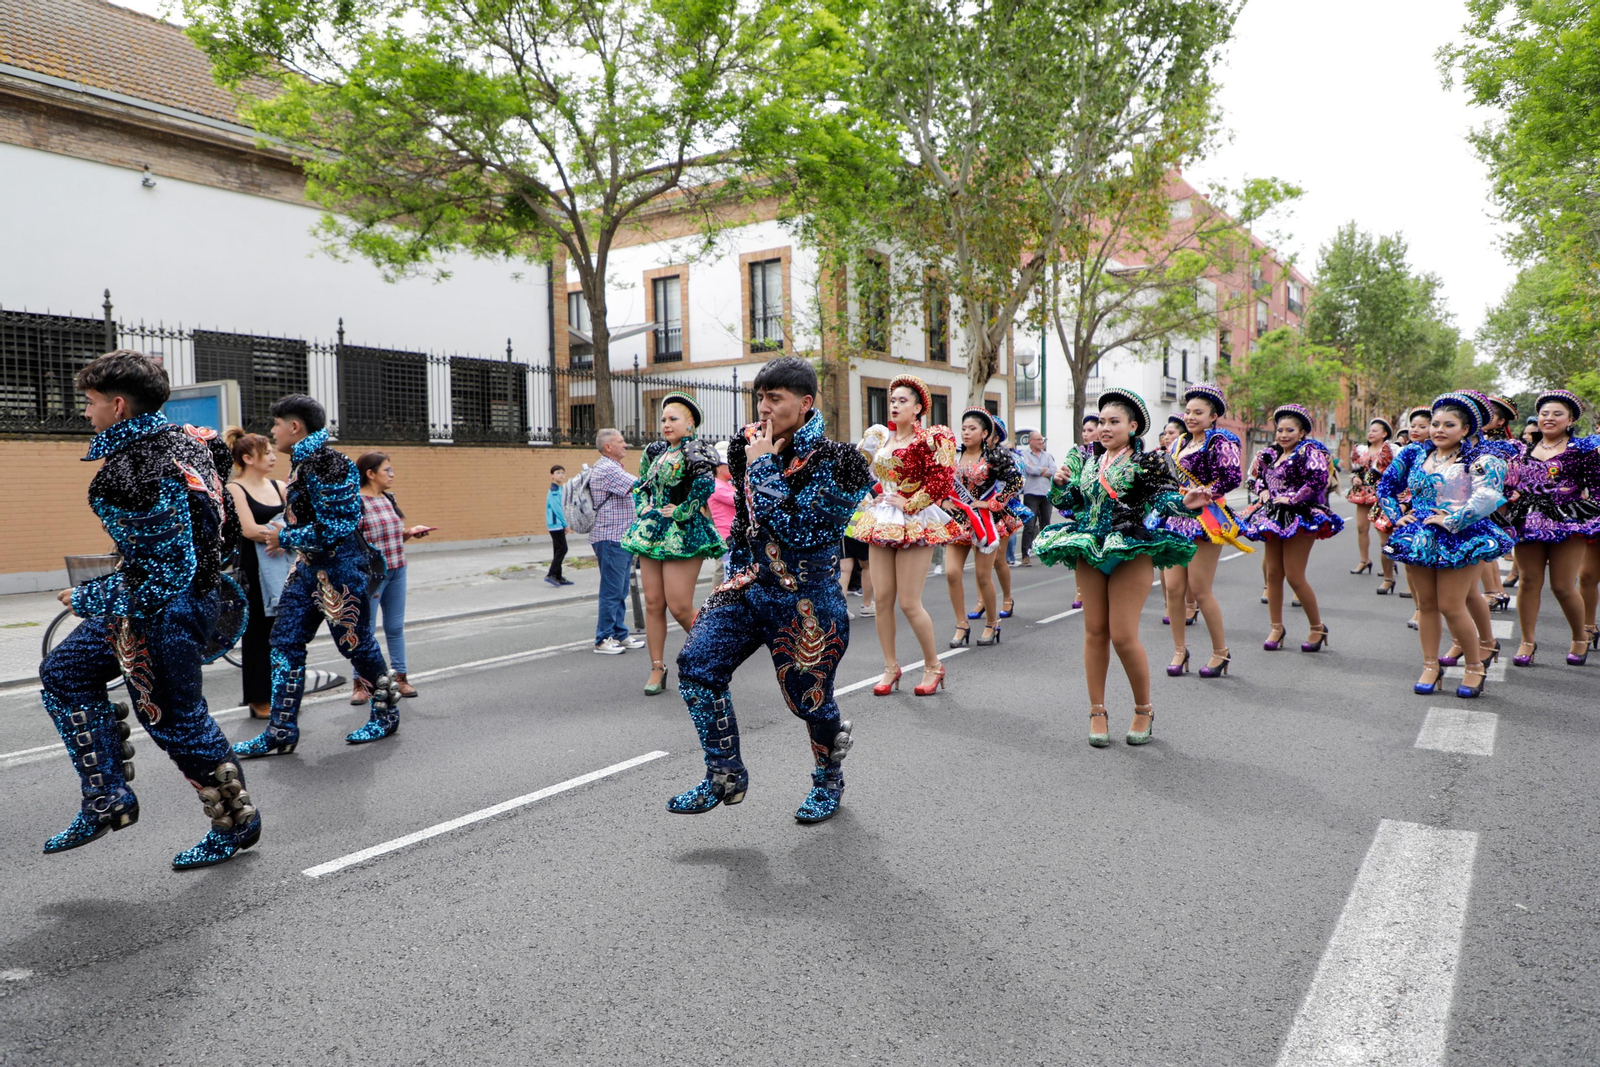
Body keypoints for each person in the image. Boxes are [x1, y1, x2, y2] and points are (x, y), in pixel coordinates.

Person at [40, 351, 261, 869]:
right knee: (66, 670)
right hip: (175, 599)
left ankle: (236, 823)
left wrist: (88, 596)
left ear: (118, 407)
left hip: (164, 612)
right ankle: (108, 797)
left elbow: (167, 574)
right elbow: (218, 475)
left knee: (176, 722)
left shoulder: (129, 474)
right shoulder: (192, 438)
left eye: (90, 403)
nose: (85, 413)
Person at [667, 356, 873, 823]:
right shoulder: (746, 445)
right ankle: (724, 773)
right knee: (696, 666)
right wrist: (735, 572)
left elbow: (803, 531)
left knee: (809, 701)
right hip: (749, 586)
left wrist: (762, 469)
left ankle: (828, 777)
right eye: (760, 397)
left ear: (804, 403)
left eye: (774, 399)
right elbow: (745, 519)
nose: (763, 409)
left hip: (806, 602)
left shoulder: (841, 461)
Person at [233, 394, 402, 758]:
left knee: (355, 643)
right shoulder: (305, 462)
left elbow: (339, 527)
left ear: (295, 427)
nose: (273, 432)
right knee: (283, 642)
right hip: (309, 569)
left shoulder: (330, 463)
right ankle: (281, 730)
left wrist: (286, 536)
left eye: (276, 425)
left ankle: (386, 713)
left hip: (341, 570)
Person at [1035, 388, 1203, 747]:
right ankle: (1098, 711)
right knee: (1095, 632)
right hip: (1089, 546)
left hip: (1130, 549)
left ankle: (1144, 709)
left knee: (1123, 635)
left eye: (1114, 422)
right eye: (1101, 422)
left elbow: (1163, 498)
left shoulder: (1148, 462)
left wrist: (1185, 503)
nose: (1104, 428)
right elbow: (1072, 503)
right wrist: (1061, 485)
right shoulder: (1086, 460)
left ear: (1133, 426)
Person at [1377, 393, 1514, 698]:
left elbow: (1489, 497)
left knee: (1452, 606)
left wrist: (1452, 519)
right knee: (1426, 605)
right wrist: (1396, 515)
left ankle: (1475, 666)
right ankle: (1430, 665)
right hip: (1419, 536)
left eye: (1448, 425)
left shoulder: (1481, 458)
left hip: (1461, 535)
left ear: (1465, 429)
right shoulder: (1414, 454)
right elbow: (1386, 485)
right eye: (1435, 423)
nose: (1438, 429)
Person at [846, 374, 962, 696]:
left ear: (918, 408)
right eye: (892, 400)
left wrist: (910, 502)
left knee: (909, 603)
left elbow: (942, 481)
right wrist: (874, 497)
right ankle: (890, 667)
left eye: (902, 401)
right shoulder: (880, 438)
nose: (895, 406)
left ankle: (933, 666)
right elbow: (863, 476)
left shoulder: (931, 439)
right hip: (883, 518)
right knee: (882, 600)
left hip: (916, 520)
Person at [620, 393, 726, 694]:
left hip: (684, 532)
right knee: (653, 603)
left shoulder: (696, 451)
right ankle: (657, 667)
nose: (666, 424)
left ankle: (714, 656)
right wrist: (643, 506)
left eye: (673, 419)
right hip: (653, 530)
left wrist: (681, 511)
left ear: (690, 424)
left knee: (679, 606)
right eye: (663, 419)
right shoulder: (656, 452)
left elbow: (706, 485)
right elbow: (640, 484)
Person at [1502, 389, 1600, 666]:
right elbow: (1510, 485)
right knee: (1529, 581)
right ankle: (1527, 642)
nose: (1549, 418)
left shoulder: (1583, 450)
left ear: (1570, 419)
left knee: (1563, 586)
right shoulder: (1522, 450)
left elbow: (1597, 489)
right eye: (1545, 414)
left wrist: (1592, 516)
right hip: (1528, 518)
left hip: (1567, 520)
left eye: (1557, 414)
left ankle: (1581, 638)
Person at [1242, 404, 1344, 653]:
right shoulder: (1269, 454)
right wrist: (1263, 490)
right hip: (1272, 515)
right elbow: (1253, 478)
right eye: (1280, 430)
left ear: (1301, 433)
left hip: (1300, 516)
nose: (1283, 434)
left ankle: (1317, 627)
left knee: (1295, 576)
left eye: (1290, 430)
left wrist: (1294, 498)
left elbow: (1319, 479)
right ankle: (1276, 628)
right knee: (1273, 575)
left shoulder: (1310, 451)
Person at [1158, 384, 1243, 678]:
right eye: (1188, 411)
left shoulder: (1220, 440)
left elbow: (1233, 475)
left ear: (1213, 415)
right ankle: (1180, 650)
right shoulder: (1178, 442)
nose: (1191, 417)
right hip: (1177, 517)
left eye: (1198, 412)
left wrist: (1207, 492)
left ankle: (1221, 651)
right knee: (1173, 589)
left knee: (1201, 589)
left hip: (1206, 518)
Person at [354, 452, 433, 701]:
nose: (392, 474)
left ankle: (401, 678)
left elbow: (395, 536)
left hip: (398, 569)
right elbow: (353, 544)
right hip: (372, 575)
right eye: (387, 470)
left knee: (395, 627)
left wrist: (410, 533)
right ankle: (362, 684)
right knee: (365, 629)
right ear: (370, 473)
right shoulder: (356, 502)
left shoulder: (389, 498)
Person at [224, 428, 288, 719]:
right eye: (268, 453)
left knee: (284, 632)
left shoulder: (279, 486)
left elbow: (295, 522)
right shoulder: (235, 488)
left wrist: (281, 536)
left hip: (283, 565)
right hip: (253, 568)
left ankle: (283, 690)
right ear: (248, 458)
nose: (274, 457)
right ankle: (259, 697)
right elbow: (249, 530)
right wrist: (279, 534)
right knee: (257, 633)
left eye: (274, 452)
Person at [944, 408, 1022, 647]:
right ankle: (961, 624)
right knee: (952, 573)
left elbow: (1015, 480)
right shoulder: (952, 455)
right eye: (964, 428)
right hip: (959, 520)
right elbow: (941, 482)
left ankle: (992, 623)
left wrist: (993, 502)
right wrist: (943, 501)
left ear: (985, 433)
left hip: (986, 521)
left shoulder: (994, 455)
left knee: (982, 576)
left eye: (972, 429)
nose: (966, 433)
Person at [587, 428, 646, 655]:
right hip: (611, 538)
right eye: (621, 442)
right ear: (608, 447)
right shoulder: (607, 468)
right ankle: (603, 639)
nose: (625, 445)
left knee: (620, 589)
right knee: (612, 590)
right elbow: (640, 485)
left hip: (619, 536)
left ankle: (619, 634)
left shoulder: (611, 467)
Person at [1347, 418, 1397, 592]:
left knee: (1384, 534)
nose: (1370, 433)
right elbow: (1355, 470)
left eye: (1375, 430)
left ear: (1384, 434)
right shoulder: (1361, 451)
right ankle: (1364, 560)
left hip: (1382, 495)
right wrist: (1354, 478)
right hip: (1363, 493)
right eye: (1370, 430)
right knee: (1361, 527)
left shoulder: (1390, 451)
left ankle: (1388, 568)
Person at [1018, 431, 1055, 566]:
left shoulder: (1047, 455)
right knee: (1029, 525)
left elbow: (1054, 470)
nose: (1041, 442)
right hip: (1031, 493)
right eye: (1038, 440)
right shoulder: (1024, 455)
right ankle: (1025, 555)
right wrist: (1042, 470)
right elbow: (1028, 469)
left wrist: (1039, 470)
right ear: (1031, 441)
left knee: (1046, 525)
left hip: (1045, 493)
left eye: (1042, 440)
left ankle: (1047, 553)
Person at [708, 443, 738, 585]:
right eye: (729, 465)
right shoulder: (716, 486)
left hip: (732, 535)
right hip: (725, 536)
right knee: (722, 570)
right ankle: (715, 601)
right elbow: (737, 500)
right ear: (719, 467)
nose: (732, 468)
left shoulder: (727, 484)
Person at [545, 464, 573, 587]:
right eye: (558, 473)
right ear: (552, 476)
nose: (561, 475)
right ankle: (550, 574)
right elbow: (557, 509)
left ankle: (558, 576)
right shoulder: (554, 491)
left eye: (562, 472)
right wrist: (565, 524)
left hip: (558, 524)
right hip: (555, 524)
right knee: (563, 549)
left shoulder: (561, 489)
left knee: (558, 550)